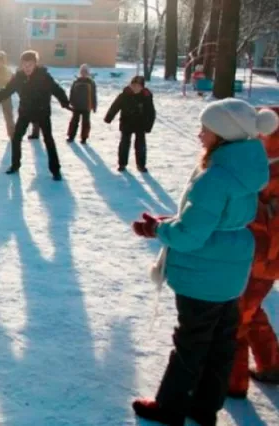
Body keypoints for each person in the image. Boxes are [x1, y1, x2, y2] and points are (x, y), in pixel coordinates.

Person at [131, 99, 276, 426]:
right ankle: (204, 406)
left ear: (223, 134)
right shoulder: (247, 168)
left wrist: (158, 228)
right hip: (231, 268)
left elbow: (189, 236)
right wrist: (174, 221)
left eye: (206, 129)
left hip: (204, 271)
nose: (199, 134)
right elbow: (217, 219)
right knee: (220, 343)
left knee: (191, 342)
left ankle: (170, 408)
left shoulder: (216, 177)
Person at [228, 106, 279, 398]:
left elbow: (266, 220)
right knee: (251, 309)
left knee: (236, 317)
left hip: (262, 257)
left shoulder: (272, 173)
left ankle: (232, 380)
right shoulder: (262, 164)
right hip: (259, 256)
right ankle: (272, 363)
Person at [0, 50, 72, 181]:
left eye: (30, 65)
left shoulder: (44, 76)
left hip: (42, 112)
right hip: (25, 112)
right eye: (24, 65)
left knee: (48, 140)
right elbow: (4, 92)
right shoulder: (18, 77)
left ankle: (55, 170)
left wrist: (65, 103)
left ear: (35, 64)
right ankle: (15, 165)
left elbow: (57, 90)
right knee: (16, 137)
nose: (27, 68)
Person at [104, 75, 156, 172]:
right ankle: (122, 163)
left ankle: (141, 165)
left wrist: (149, 126)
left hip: (141, 124)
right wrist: (109, 117)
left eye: (138, 86)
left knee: (140, 145)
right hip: (126, 123)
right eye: (133, 85)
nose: (135, 88)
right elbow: (115, 106)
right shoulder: (124, 95)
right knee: (124, 144)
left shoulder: (146, 96)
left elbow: (151, 112)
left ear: (142, 87)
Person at [67, 64, 97, 144]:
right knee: (74, 122)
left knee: (86, 123)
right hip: (76, 106)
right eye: (82, 72)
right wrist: (70, 102)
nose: (84, 73)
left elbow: (93, 95)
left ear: (88, 73)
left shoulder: (91, 82)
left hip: (87, 106)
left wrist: (94, 106)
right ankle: (71, 136)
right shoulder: (76, 82)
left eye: (85, 72)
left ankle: (84, 138)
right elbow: (72, 93)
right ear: (80, 72)